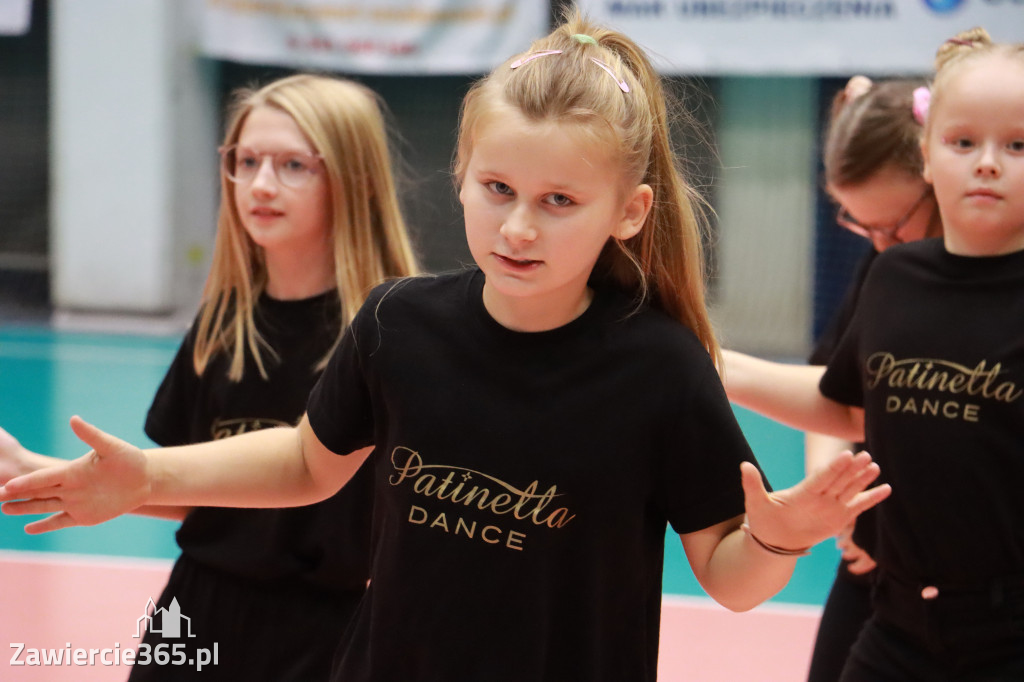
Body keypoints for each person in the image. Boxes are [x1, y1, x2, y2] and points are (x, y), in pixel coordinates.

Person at [0, 10, 889, 681]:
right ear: (461, 174)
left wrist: (780, 540)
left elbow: (729, 580)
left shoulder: (660, 369)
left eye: (558, 202)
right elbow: (311, 464)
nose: (517, 226)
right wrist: (145, 480)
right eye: (497, 186)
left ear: (630, 213)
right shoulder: (400, 323)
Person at [0, 73, 419, 681]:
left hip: (329, 633)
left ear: (353, 178)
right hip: (198, 615)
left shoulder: (392, 335)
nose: (261, 185)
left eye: (292, 165)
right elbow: (191, 497)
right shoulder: (224, 325)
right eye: (245, 162)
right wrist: (28, 469)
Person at [726, 27, 1024, 679]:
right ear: (927, 153)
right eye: (964, 142)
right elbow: (845, 404)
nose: (987, 163)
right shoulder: (893, 277)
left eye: (1018, 145)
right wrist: (712, 363)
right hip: (897, 623)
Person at [805, 74, 941, 682]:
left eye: (894, 224)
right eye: (862, 227)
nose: (881, 244)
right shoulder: (885, 267)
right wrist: (835, 505)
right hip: (869, 558)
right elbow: (835, 391)